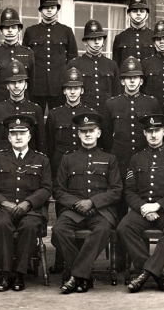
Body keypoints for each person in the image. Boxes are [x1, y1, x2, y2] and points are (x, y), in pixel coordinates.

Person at [117, 114, 164, 293]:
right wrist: (143, 207)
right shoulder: (136, 159)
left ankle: (144, 274)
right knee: (124, 227)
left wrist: (158, 206)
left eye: (157, 131)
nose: (153, 135)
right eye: (150, 132)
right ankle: (156, 274)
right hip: (142, 209)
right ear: (144, 133)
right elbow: (129, 191)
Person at [52, 112, 123, 293]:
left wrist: (92, 202)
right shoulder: (68, 159)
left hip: (101, 211)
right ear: (78, 134)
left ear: (99, 133)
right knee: (59, 229)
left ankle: (75, 275)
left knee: (102, 230)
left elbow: (116, 190)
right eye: (84, 131)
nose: (88, 134)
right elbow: (58, 190)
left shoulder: (110, 159)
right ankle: (84, 276)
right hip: (74, 209)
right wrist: (77, 204)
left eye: (91, 131)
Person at [0, 115, 52, 292]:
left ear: (29, 136)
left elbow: (46, 189)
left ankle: (20, 274)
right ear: (9, 137)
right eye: (14, 133)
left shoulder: (41, 160)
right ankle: (6, 274)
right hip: (3, 209)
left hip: (31, 210)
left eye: (23, 133)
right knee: (2, 224)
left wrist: (28, 203)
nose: (18, 137)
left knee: (29, 226)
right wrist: (5, 204)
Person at [102, 57, 161, 177]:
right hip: (120, 160)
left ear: (141, 81)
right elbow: (106, 135)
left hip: (145, 159)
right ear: (122, 81)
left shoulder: (151, 103)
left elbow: (158, 131)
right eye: (128, 78)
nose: (132, 81)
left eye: (136, 77)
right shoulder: (112, 103)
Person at [22, 0, 78, 112]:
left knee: (58, 121)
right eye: (45, 7)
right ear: (41, 10)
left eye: (52, 7)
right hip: (36, 86)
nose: (49, 10)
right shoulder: (30, 31)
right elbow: (25, 61)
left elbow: (72, 60)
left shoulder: (66, 31)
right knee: (35, 121)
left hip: (58, 86)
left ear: (57, 9)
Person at [0, 59, 47, 163]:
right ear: (7, 86)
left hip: (29, 163)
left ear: (26, 85)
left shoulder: (35, 109)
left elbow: (41, 143)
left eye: (20, 82)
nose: (16, 86)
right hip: (3, 164)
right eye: (12, 82)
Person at [46, 67, 96, 179]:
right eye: (69, 88)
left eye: (76, 88)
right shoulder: (54, 114)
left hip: (84, 163)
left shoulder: (90, 114)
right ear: (64, 91)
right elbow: (49, 145)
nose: (72, 92)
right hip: (59, 165)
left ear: (82, 90)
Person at [0, 7, 35, 112]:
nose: (10, 30)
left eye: (13, 27)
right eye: (6, 27)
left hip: (22, 106)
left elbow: (31, 86)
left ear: (19, 29)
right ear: (1, 30)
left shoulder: (28, 53)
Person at [67, 19, 120, 113]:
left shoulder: (112, 65)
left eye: (99, 39)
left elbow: (116, 94)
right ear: (85, 42)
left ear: (103, 41)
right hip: (83, 113)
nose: (96, 42)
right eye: (92, 39)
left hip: (106, 114)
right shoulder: (74, 64)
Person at [112, 0, 155, 68]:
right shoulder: (120, 38)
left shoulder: (154, 37)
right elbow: (116, 68)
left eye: (142, 11)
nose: (138, 14)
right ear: (128, 14)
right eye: (135, 11)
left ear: (147, 15)